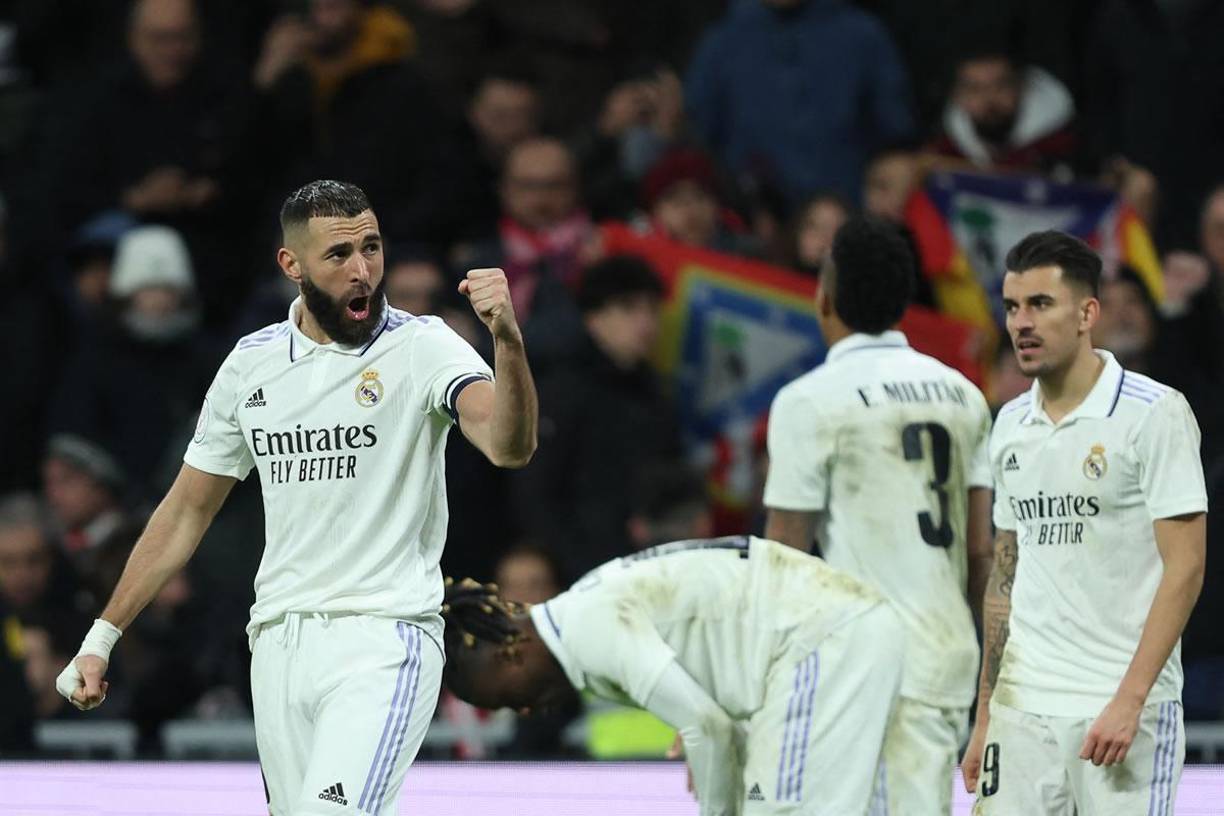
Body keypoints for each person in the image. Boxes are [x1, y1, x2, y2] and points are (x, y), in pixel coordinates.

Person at [55, 180, 538, 815]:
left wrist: (507, 341)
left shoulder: (421, 346)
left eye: (372, 247)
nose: (363, 270)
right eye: (339, 255)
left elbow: (509, 445)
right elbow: (185, 510)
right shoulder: (250, 366)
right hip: (279, 644)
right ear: (292, 265)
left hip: (384, 639)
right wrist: (101, 636)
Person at [963, 231, 1208, 814]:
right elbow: (1006, 574)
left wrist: (1130, 700)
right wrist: (986, 716)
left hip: (1122, 711)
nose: (1021, 322)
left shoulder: (1154, 414)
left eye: (1040, 305)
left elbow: (1188, 565)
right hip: (1024, 712)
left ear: (1087, 313)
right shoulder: (1010, 424)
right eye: (1013, 307)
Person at [763, 215, 994, 814]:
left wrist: (755, 685)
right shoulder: (963, 395)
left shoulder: (810, 400)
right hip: (946, 655)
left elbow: (785, 554)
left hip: (865, 667)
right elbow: (982, 554)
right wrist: (997, 681)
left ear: (824, 297)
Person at [442, 536, 903, 814]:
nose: (523, 709)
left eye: (505, 700)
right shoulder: (583, 612)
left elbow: (708, 727)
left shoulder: (588, 625)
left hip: (824, 637)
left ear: (512, 653)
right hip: (819, 640)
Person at [510, 256, 680, 579]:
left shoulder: (658, 396)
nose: (645, 322)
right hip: (575, 574)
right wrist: (573, 567)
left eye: (652, 309)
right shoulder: (560, 391)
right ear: (593, 318)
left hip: (645, 569)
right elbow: (535, 493)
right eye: (629, 308)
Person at [686, 0, 913, 205]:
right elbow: (702, 143)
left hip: (849, 221)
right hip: (753, 231)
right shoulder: (721, 43)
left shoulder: (863, 37)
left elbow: (895, 139)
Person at [928, 49, 1077, 176]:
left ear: (1021, 88)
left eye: (1001, 85)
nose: (990, 99)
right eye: (974, 89)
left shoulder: (1063, 141)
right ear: (957, 98)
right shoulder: (949, 145)